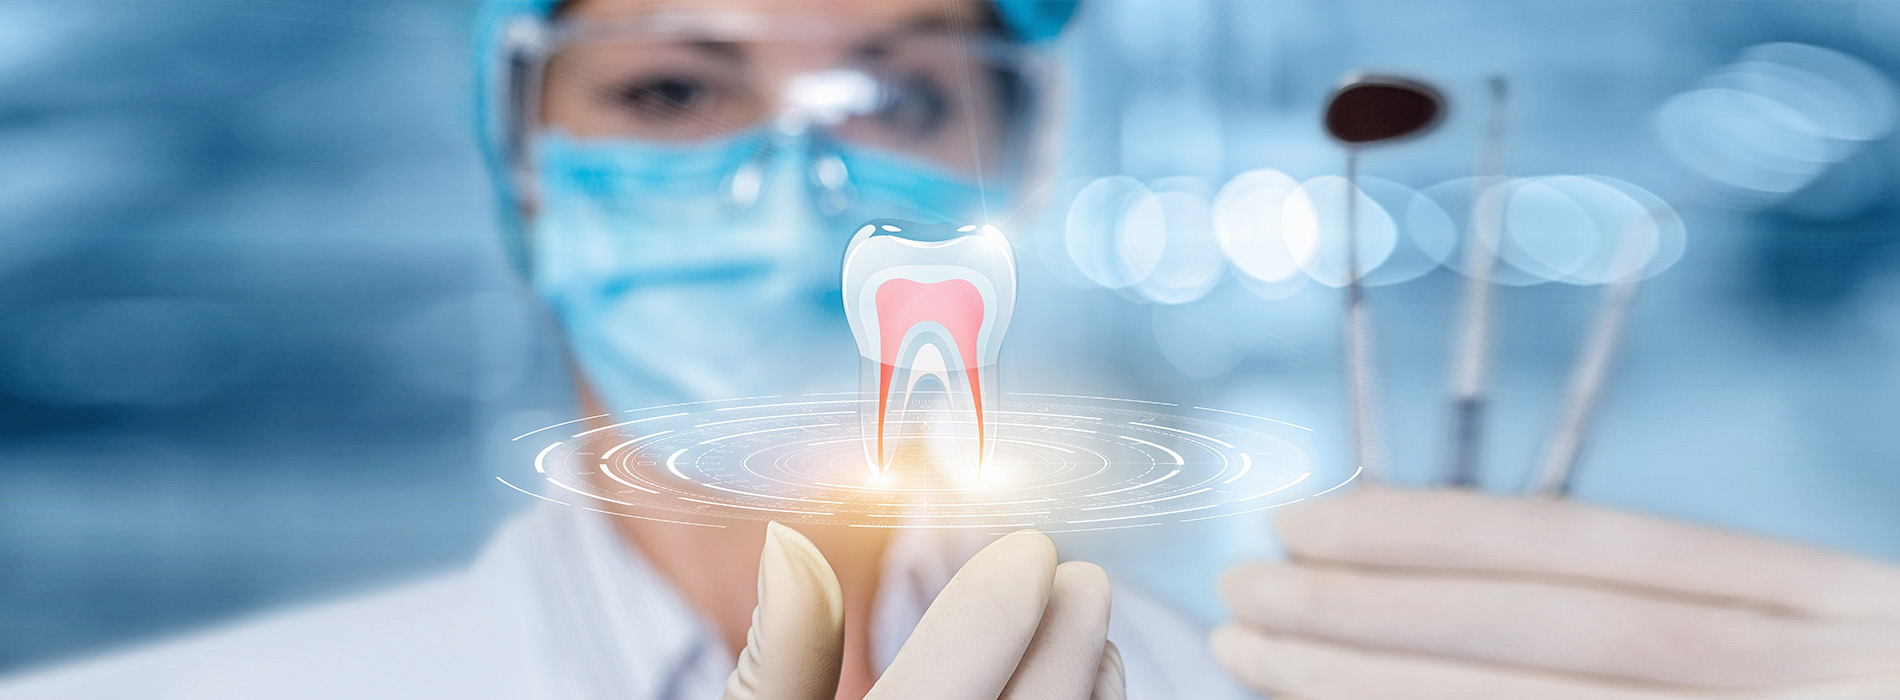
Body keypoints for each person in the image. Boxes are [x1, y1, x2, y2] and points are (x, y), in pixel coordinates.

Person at [0, 0, 1246, 698]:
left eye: (896, 99)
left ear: (1018, 162)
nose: (788, 204)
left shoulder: (1215, 683)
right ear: (521, 161)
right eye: (674, 91)